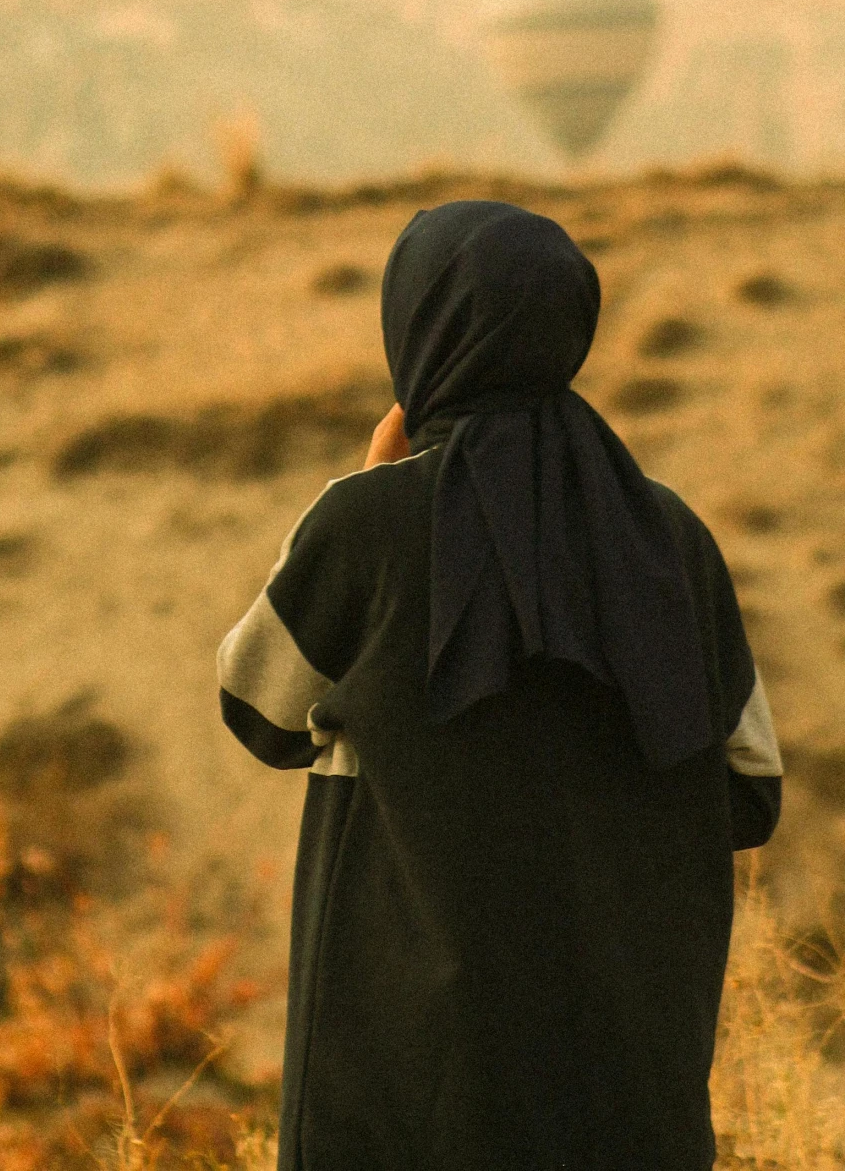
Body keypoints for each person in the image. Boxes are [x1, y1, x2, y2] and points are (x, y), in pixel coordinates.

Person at [217, 200, 781, 1171]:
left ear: (419, 326)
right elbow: (752, 790)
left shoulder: (369, 525)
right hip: (631, 1095)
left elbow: (255, 707)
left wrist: (357, 486)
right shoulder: (670, 539)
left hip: (407, 1094)